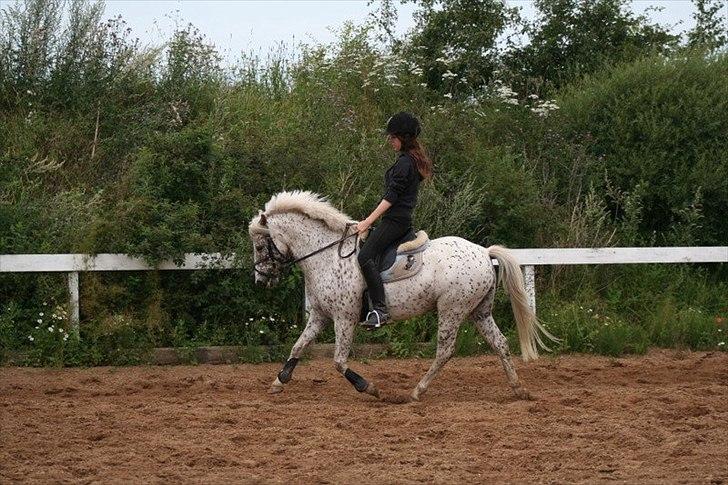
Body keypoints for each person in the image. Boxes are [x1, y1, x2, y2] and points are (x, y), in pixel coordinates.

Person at [355, 112, 433, 330]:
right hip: (400, 220)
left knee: (364, 256)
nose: (390, 141)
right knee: (373, 254)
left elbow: (391, 197)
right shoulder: (409, 161)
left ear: (404, 138)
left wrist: (367, 221)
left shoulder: (404, 164)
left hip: (395, 221)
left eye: (393, 137)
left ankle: (380, 310)